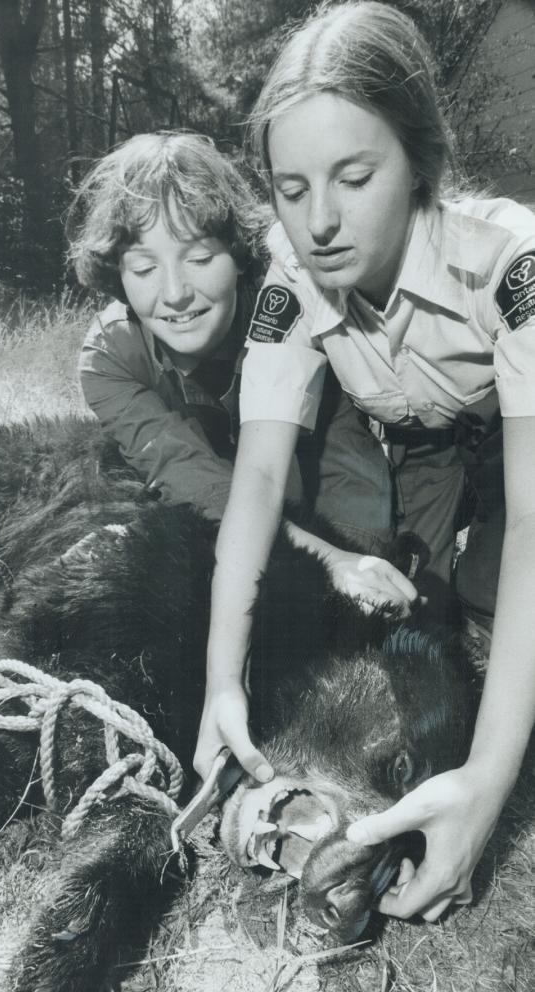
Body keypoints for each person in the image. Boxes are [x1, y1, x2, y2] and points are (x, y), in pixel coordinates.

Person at [196, 0, 535, 925]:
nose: (320, 221)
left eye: (354, 175)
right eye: (290, 187)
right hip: (425, 433)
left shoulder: (511, 261)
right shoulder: (287, 275)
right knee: (410, 602)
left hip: (523, 422)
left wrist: (484, 785)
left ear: (421, 161)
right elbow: (258, 481)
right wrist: (221, 681)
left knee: (499, 605)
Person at [69, 131, 307, 522]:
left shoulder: (294, 311)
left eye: (199, 259)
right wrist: (300, 545)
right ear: (118, 276)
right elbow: (180, 467)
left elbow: (346, 467)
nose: (175, 294)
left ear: (240, 256)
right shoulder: (109, 358)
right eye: (145, 269)